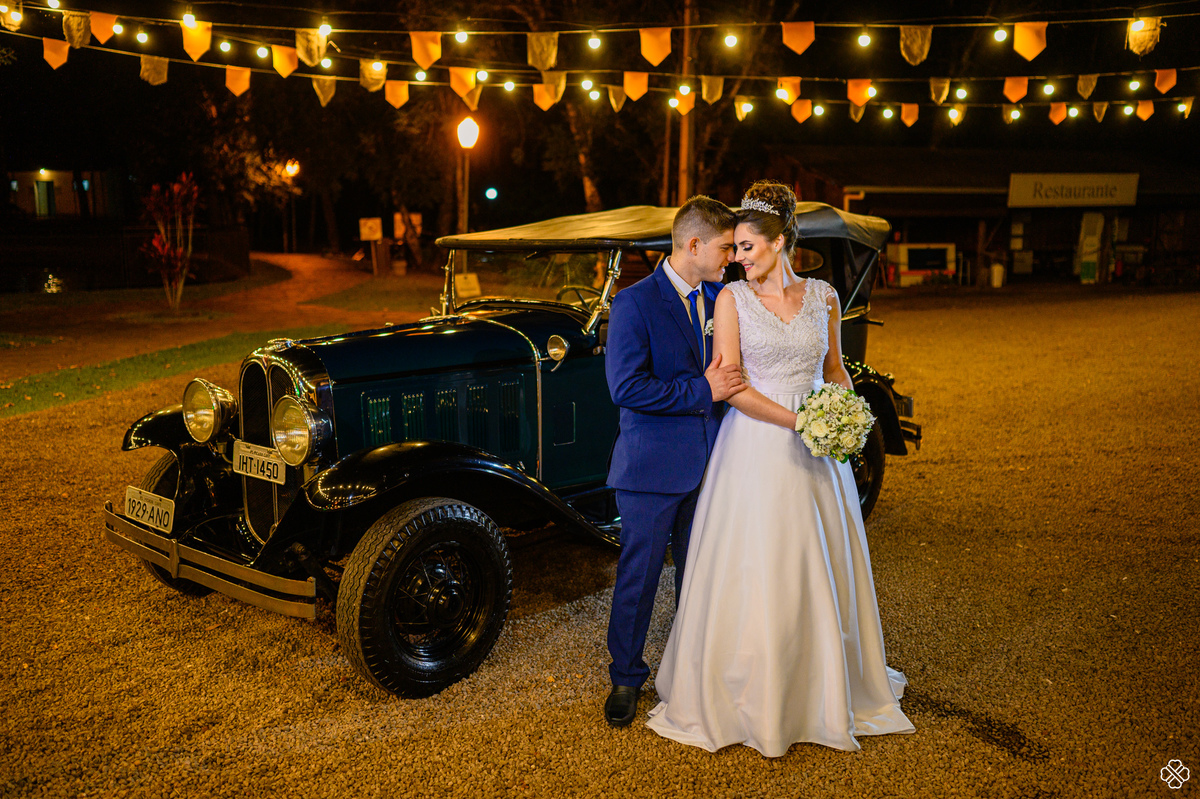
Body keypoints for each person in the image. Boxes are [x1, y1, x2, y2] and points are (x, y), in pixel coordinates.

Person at [645, 181, 915, 756]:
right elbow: (732, 387)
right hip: (759, 447)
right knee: (760, 564)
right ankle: (756, 694)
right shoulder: (731, 302)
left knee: (820, 561)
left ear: (779, 241)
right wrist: (799, 424)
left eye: (745, 246)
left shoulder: (823, 297)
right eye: (734, 248)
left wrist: (840, 413)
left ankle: (824, 687)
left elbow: (836, 369)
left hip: (820, 454)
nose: (736, 259)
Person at [602, 196, 746, 727]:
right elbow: (626, 386)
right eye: (726, 246)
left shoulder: (722, 297)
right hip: (651, 468)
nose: (731, 256)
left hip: (713, 463)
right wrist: (701, 389)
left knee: (701, 574)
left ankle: (693, 672)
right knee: (638, 578)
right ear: (693, 244)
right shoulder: (634, 304)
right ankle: (625, 677)